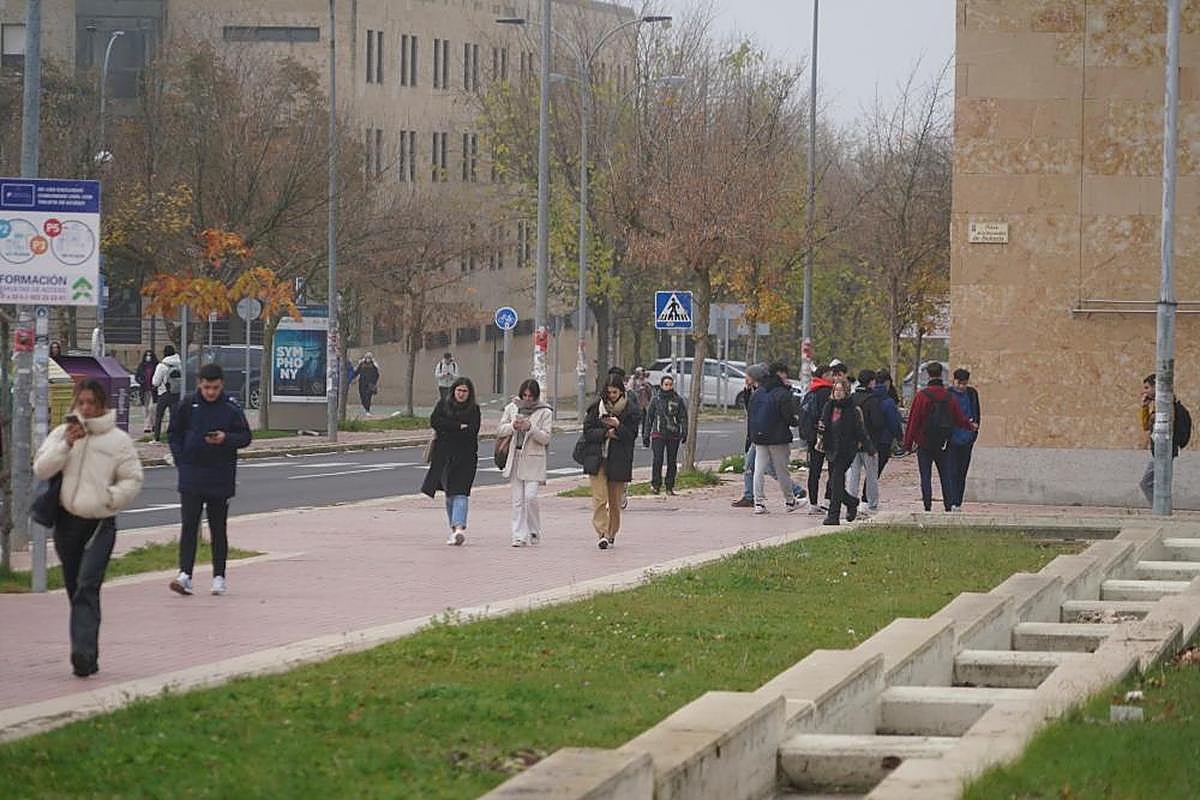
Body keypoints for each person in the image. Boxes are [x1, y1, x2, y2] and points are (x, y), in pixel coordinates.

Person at [33, 379, 144, 677]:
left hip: (100, 523)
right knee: (75, 589)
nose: (85, 408)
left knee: (87, 584)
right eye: (80, 402)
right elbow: (41, 468)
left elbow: (133, 478)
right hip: (67, 523)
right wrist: (66, 444)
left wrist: (112, 499)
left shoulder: (117, 440)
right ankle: (88, 652)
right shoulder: (63, 434)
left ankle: (81, 655)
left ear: (101, 405)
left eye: (91, 403)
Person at [167, 363, 253, 596]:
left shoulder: (231, 407)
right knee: (189, 526)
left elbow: (245, 436)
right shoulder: (187, 405)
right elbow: (173, 433)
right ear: (199, 385)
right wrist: (180, 459)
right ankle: (185, 574)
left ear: (222, 385)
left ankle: (219, 576)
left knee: (218, 528)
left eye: (215, 388)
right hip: (192, 475)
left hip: (220, 475)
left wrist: (226, 438)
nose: (211, 392)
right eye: (206, 387)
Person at [903, 362, 977, 512]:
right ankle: (948, 505)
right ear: (941, 375)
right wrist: (970, 426)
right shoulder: (948, 396)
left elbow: (913, 421)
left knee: (925, 476)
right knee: (945, 475)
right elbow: (958, 417)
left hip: (924, 442)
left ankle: (927, 506)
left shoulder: (921, 396)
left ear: (929, 375)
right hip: (943, 443)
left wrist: (907, 444)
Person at [580, 377, 639, 549]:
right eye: (609, 392)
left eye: (615, 392)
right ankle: (602, 533)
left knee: (614, 501)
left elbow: (631, 435)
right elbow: (587, 431)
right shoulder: (596, 408)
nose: (611, 395)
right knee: (599, 498)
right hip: (597, 459)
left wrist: (618, 426)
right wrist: (605, 433)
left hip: (619, 460)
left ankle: (612, 533)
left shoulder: (631, 411)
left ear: (621, 391)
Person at [422, 377, 481, 544]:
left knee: (461, 493)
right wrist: (457, 426)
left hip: (466, 458)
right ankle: (454, 530)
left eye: (465, 391)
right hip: (444, 457)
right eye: (459, 390)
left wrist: (449, 427)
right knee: (449, 495)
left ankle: (460, 528)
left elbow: (472, 431)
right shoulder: (443, 405)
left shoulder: (474, 410)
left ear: (470, 394)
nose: (461, 394)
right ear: (453, 391)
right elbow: (435, 421)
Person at [497, 379, 553, 547]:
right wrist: (513, 426)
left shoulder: (545, 412)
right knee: (517, 500)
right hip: (515, 456)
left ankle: (534, 529)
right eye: (525, 395)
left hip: (534, 458)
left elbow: (546, 438)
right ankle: (518, 536)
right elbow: (500, 430)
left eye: (531, 396)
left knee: (530, 497)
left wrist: (530, 427)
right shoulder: (512, 408)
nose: (527, 399)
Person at [818, 378, 875, 525]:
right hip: (831, 449)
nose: (837, 393)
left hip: (845, 451)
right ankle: (851, 502)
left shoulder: (852, 410)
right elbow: (823, 425)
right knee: (833, 484)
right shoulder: (828, 406)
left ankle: (833, 516)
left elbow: (859, 431)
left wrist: (869, 448)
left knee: (836, 482)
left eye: (840, 390)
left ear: (846, 392)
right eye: (835, 390)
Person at [749, 361, 800, 514]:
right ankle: (790, 501)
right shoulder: (782, 393)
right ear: (780, 374)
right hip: (778, 437)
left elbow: (750, 414)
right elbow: (789, 417)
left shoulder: (758, 391)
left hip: (759, 436)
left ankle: (758, 503)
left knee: (759, 468)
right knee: (781, 470)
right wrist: (796, 422)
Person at [1138, 374, 1190, 506]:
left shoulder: (1168, 406)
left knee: (1149, 483)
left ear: (1157, 387)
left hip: (1165, 450)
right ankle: (1161, 509)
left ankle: (1161, 510)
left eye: (1147, 387)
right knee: (1154, 483)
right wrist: (1145, 407)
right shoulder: (1157, 407)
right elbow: (1146, 426)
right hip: (1158, 450)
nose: (1144, 391)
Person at [863, 369, 904, 507]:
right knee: (875, 471)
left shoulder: (869, 397)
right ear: (887, 382)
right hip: (884, 440)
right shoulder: (888, 401)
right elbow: (893, 422)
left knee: (869, 470)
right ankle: (867, 498)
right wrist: (900, 437)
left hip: (868, 438)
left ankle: (865, 497)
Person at [643, 374, 688, 495]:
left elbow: (683, 417)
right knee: (657, 459)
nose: (668, 387)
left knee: (672, 461)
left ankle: (669, 486)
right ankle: (656, 485)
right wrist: (646, 435)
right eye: (666, 384)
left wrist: (684, 431)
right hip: (658, 434)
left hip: (673, 435)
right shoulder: (656, 399)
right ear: (662, 385)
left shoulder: (677, 400)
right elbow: (649, 418)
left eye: (670, 384)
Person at [798, 364, 834, 514]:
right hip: (828, 436)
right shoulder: (828, 393)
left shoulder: (811, 391)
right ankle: (827, 500)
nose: (833, 377)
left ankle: (813, 503)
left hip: (813, 437)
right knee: (834, 469)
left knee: (814, 471)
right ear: (824, 375)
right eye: (831, 374)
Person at [847, 370, 882, 516]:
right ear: (871, 382)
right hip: (869, 444)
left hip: (853, 443)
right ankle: (872, 504)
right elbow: (878, 422)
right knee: (872, 475)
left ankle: (851, 502)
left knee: (854, 474)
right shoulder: (873, 400)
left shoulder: (851, 398)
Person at [948, 368, 982, 510]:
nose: (962, 386)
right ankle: (950, 500)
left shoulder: (972, 393)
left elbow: (977, 413)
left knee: (962, 471)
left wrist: (974, 433)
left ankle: (958, 501)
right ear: (954, 381)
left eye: (964, 383)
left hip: (967, 438)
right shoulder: (948, 394)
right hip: (952, 438)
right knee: (952, 470)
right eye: (959, 383)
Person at [151, 344, 183, 442]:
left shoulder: (162, 365)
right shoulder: (180, 364)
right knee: (174, 416)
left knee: (159, 416)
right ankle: (173, 437)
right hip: (177, 392)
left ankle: (156, 437)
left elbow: (155, 382)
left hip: (164, 392)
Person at [135, 350, 158, 433]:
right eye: (147, 355)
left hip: (154, 390)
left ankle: (154, 424)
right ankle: (147, 426)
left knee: (153, 408)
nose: (148, 357)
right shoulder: (142, 366)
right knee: (146, 409)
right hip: (144, 389)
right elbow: (137, 376)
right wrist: (140, 380)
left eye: (150, 355)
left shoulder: (156, 366)